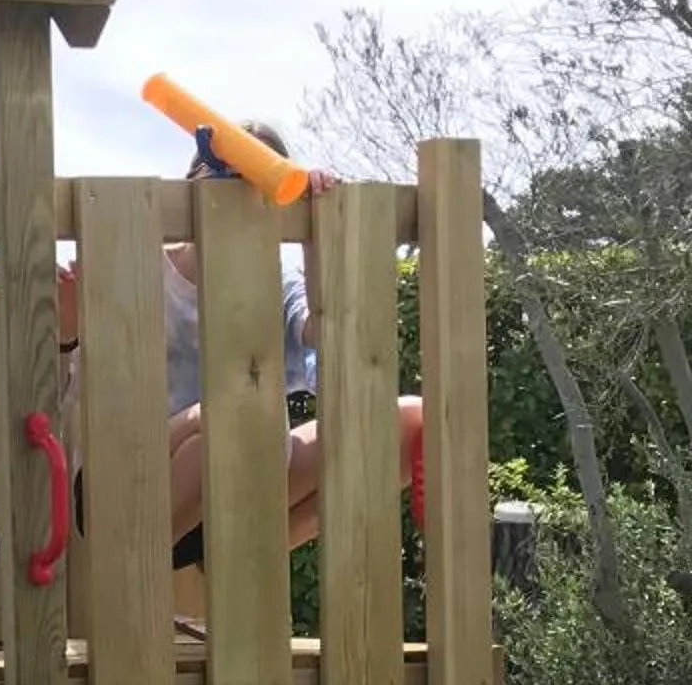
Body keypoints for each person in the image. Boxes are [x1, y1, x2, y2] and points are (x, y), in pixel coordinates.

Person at [57, 118, 424, 598]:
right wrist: (69, 332)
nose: (239, 199)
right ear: (193, 185)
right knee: (229, 415)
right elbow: (61, 390)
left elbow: (325, 332)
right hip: (128, 489)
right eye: (226, 179)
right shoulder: (140, 266)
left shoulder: (274, 283)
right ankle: (140, 567)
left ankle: (243, 552)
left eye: (259, 185)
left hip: (237, 488)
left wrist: (315, 227)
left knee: (411, 419)